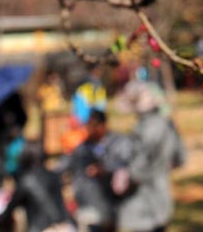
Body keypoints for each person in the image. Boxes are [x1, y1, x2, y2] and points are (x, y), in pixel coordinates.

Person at [116, 81, 186, 232]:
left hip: (143, 204)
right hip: (162, 199)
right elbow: (180, 158)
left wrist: (123, 177)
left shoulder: (143, 131)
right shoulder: (168, 125)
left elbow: (137, 169)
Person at [0, 141, 76, 232]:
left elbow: (7, 212)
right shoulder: (53, 175)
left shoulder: (27, 180)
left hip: (43, 228)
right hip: (66, 226)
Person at [64, 110, 126, 232]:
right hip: (87, 205)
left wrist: (105, 170)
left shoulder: (118, 143)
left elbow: (125, 166)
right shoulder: (82, 148)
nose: (89, 129)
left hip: (109, 203)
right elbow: (66, 164)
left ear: (102, 125)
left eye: (93, 125)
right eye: (88, 125)